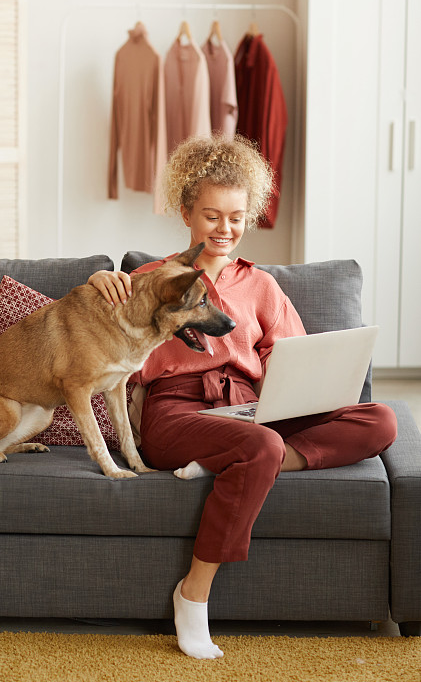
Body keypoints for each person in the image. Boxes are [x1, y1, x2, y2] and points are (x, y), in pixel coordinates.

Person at [88, 134, 397, 660]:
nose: (224, 230)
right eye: (211, 216)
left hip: (251, 408)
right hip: (176, 413)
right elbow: (93, 344)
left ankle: (224, 464)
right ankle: (193, 593)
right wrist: (97, 282)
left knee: (382, 420)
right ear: (186, 211)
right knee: (262, 449)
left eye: (235, 218)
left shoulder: (263, 287)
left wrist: (297, 393)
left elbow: (292, 359)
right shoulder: (147, 280)